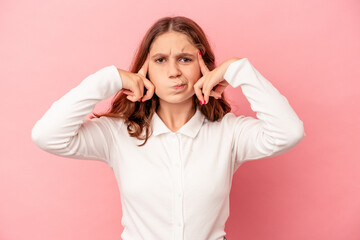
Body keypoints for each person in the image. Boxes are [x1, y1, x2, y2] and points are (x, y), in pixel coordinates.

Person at [31, 16, 305, 240]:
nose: (173, 71)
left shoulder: (228, 133)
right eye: (160, 60)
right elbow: (47, 136)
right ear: (144, 68)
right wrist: (109, 79)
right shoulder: (117, 134)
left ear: (203, 67)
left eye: (185, 59)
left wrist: (238, 71)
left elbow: (289, 132)